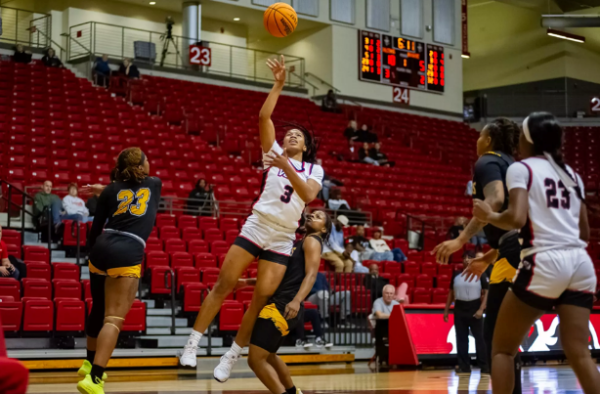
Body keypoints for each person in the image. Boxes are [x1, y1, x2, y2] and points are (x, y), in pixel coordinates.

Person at [178, 56, 324, 383]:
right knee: (224, 285)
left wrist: (287, 166)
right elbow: (264, 116)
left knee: (260, 297)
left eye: (298, 135)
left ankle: (231, 356)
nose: (291, 136)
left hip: (283, 237)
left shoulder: (314, 169)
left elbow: (309, 195)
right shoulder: (271, 153)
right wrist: (279, 85)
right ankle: (191, 345)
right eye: (288, 135)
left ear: (307, 144)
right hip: (257, 226)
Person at [471, 112, 600, 394]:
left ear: (528, 140)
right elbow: (585, 234)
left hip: (544, 260)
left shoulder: (522, 168)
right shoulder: (572, 175)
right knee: (579, 351)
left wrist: (489, 214)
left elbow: (516, 218)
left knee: (501, 348)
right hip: (580, 264)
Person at [433, 117, 522, 393]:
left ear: (488, 140)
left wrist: (461, 238)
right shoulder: (515, 166)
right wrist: (487, 257)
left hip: (513, 250)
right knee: (504, 337)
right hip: (521, 248)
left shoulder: (487, 161)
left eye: (480, 135)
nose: (476, 140)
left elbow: (493, 201)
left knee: (495, 337)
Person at [77, 148, 161, 394]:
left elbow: (95, 229)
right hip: (127, 250)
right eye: (147, 159)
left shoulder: (112, 190)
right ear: (142, 166)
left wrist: (103, 191)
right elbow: (134, 192)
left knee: (99, 309)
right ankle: (94, 378)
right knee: (113, 320)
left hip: (101, 248)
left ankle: (88, 363)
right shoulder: (155, 183)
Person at [247, 210, 330, 394]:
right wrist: (247, 282)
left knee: (255, 360)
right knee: (269, 357)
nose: (311, 216)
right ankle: (293, 392)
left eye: (318, 217)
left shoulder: (312, 240)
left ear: (323, 228)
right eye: (311, 214)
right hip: (284, 303)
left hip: (284, 305)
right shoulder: (299, 243)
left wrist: (296, 300)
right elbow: (281, 278)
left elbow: (311, 275)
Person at [444, 266, 489, 374]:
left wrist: (481, 309)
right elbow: (451, 293)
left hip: (475, 307)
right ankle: (464, 366)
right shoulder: (456, 274)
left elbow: (487, 292)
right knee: (461, 339)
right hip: (459, 308)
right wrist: (446, 309)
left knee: (480, 339)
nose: (467, 260)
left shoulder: (480, 273)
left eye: (470, 258)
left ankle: (484, 366)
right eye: (465, 257)